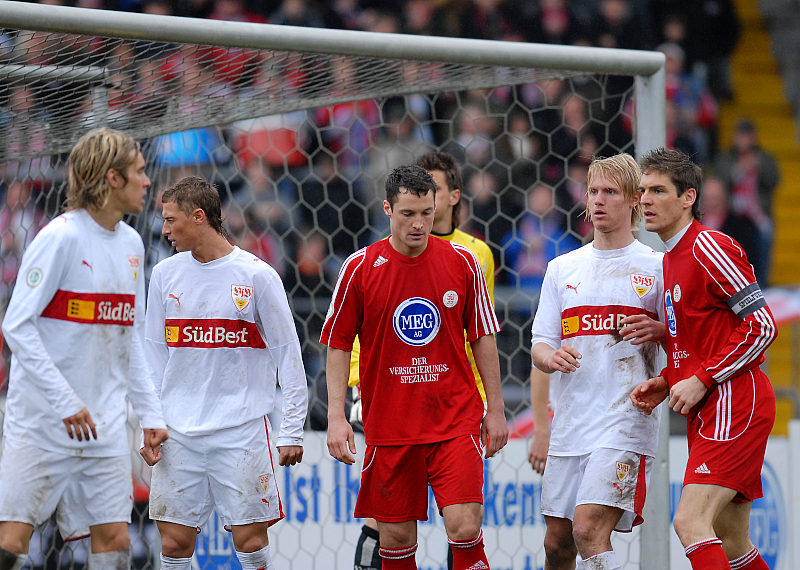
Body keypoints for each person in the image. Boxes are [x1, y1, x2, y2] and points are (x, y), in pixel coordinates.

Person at [322, 164, 508, 570]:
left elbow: (483, 336)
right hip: (390, 427)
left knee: (463, 525)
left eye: (426, 212)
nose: (419, 223)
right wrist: (337, 416)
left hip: (454, 419)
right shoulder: (359, 268)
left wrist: (495, 408)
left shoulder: (464, 262)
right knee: (396, 537)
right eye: (408, 214)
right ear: (388, 209)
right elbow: (337, 345)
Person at [0, 127, 168, 570]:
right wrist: (64, 402)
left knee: (114, 538)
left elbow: (132, 337)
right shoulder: (60, 238)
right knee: (12, 541)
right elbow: (16, 326)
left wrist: (150, 415)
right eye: (139, 172)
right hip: (42, 420)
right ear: (112, 178)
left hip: (105, 424)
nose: (147, 182)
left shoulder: (132, 245)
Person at [141, 176, 308, 570]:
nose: (164, 230)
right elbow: (152, 355)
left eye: (170, 220)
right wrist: (150, 419)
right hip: (179, 430)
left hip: (241, 429)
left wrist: (292, 429)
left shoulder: (256, 276)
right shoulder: (164, 275)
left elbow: (289, 355)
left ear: (198, 217)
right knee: (175, 542)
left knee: (250, 541)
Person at [632, 148, 776, 570]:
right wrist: (669, 378)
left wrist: (705, 377)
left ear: (688, 197)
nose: (646, 200)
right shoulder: (671, 258)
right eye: (643, 191)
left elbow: (763, 326)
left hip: (734, 402)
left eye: (658, 191)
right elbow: (703, 333)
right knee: (731, 542)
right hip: (711, 405)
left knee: (690, 522)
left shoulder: (708, 247)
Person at [531, 153, 665, 570]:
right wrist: (551, 356)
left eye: (611, 192)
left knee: (588, 529)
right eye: (594, 192)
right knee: (557, 542)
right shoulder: (561, 268)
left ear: (633, 201)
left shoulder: (658, 268)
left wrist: (660, 331)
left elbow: (684, 339)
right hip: (572, 421)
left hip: (625, 418)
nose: (599, 200)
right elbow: (539, 344)